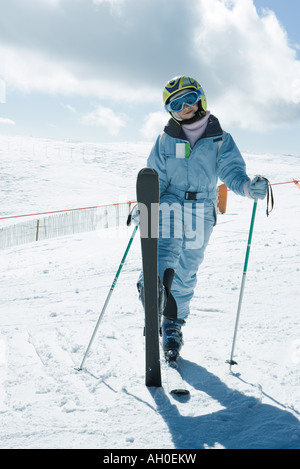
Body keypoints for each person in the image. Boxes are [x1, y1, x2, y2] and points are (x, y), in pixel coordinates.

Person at [138, 75, 268, 362]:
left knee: (186, 270)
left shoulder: (220, 139)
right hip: (171, 201)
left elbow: (232, 171)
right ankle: (151, 287)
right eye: (176, 103)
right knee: (167, 248)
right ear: (170, 110)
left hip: (202, 210)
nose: (185, 106)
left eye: (189, 98)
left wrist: (248, 187)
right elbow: (154, 178)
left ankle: (172, 325)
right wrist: (145, 206)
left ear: (201, 99)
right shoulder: (165, 139)